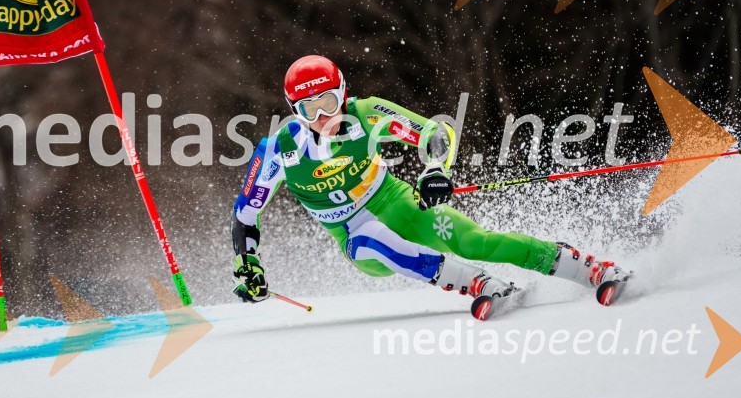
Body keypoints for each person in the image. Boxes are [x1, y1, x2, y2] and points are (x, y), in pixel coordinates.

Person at [231, 55, 630, 319]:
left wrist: (434, 170)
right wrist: (247, 265)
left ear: (344, 92)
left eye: (330, 101)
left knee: (477, 241)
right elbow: (246, 216)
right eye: (309, 109)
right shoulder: (279, 151)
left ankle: (590, 269)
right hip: (354, 236)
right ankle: (476, 283)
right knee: (371, 239)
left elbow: (433, 133)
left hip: (399, 202)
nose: (323, 116)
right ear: (293, 110)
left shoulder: (366, 114)